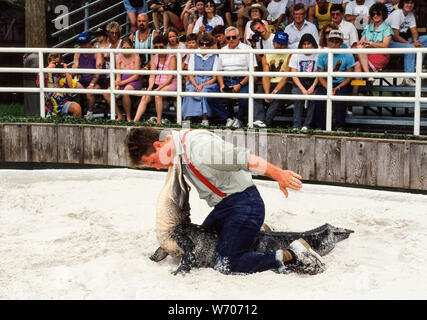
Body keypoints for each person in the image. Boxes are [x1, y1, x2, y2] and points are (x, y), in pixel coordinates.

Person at [125, 126, 325, 275]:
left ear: (158, 145)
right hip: (224, 208)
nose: (158, 167)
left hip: (245, 205)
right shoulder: (178, 151)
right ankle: (259, 231)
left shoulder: (198, 146)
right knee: (205, 249)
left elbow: (242, 158)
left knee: (226, 264)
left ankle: (292, 254)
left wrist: (277, 173)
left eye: (153, 162)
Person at [216, 26, 257, 128]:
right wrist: (221, 85)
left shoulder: (248, 49)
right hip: (226, 80)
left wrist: (240, 84)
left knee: (244, 98)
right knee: (209, 96)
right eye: (228, 38)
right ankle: (228, 118)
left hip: (242, 80)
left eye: (233, 37)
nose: (231, 40)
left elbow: (252, 70)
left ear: (238, 37)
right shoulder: (222, 50)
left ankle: (239, 119)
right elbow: (219, 70)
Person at [316, 30, 355, 130]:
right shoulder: (322, 55)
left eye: (337, 42)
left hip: (342, 83)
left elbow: (349, 76)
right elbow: (320, 76)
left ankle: (340, 126)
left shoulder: (348, 55)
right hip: (326, 83)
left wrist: (338, 87)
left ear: (341, 43)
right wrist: (329, 87)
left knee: (340, 98)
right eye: (331, 41)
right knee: (319, 97)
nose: (334, 44)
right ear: (327, 42)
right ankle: (321, 126)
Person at [133, 34, 177, 124]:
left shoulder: (172, 58)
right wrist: (150, 86)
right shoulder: (153, 58)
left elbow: (170, 78)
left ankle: (159, 121)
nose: (158, 49)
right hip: (156, 83)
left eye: (161, 47)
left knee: (157, 95)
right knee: (145, 97)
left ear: (166, 46)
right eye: (156, 47)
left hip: (170, 83)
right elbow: (152, 75)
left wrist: (159, 88)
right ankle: (134, 121)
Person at [252, 32, 292, 128]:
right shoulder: (267, 55)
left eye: (282, 44)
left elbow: (285, 78)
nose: (279, 46)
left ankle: (265, 123)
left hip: (284, 84)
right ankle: (259, 120)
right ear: (273, 42)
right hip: (270, 83)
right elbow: (266, 76)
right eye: (277, 43)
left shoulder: (291, 55)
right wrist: (267, 93)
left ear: (286, 44)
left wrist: (274, 92)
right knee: (257, 96)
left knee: (278, 98)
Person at [182, 32, 219, 126]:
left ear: (210, 45)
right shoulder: (194, 55)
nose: (204, 46)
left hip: (209, 82)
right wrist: (196, 85)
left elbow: (214, 78)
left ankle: (205, 118)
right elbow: (190, 74)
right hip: (195, 80)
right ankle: (188, 117)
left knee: (204, 90)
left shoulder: (215, 57)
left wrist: (202, 85)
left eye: (207, 44)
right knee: (190, 89)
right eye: (202, 44)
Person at [386, 0, 427, 86]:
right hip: (389, 42)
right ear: (402, 4)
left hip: (403, 40)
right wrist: (410, 44)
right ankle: (408, 77)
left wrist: (416, 41)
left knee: (425, 39)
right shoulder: (397, 14)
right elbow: (395, 36)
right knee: (410, 48)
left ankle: (416, 66)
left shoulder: (410, 15)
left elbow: (414, 31)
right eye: (407, 3)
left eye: (411, 3)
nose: (409, 5)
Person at [104, 37, 142, 122]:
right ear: (121, 48)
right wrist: (117, 83)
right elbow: (118, 74)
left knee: (125, 91)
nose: (126, 50)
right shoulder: (118, 57)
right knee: (106, 93)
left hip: (134, 81)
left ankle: (128, 118)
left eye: (128, 48)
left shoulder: (136, 56)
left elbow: (136, 76)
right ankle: (119, 115)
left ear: (132, 48)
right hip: (122, 81)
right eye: (124, 48)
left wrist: (122, 83)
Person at [354, 2, 393, 81]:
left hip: (380, 55)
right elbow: (361, 42)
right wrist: (363, 43)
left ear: (383, 14)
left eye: (378, 13)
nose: (375, 16)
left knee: (358, 61)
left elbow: (385, 45)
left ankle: (367, 76)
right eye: (373, 14)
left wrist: (370, 43)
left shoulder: (387, 28)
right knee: (357, 64)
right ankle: (356, 92)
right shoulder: (368, 27)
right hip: (365, 54)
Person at [289, 33, 319, 130]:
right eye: (304, 44)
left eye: (308, 44)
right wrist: (302, 89)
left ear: (313, 44)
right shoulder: (296, 54)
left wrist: (313, 86)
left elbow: (320, 73)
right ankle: (296, 125)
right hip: (299, 82)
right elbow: (294, 74)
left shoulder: (318, 54)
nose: (306, 46)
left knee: (314, 99)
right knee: (298, 98)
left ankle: (307, 125)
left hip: (314, 81)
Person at [72, 32, 105, 119]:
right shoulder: (78, 53)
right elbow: (75, 66)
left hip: (98, 81)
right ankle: (74, 112)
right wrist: (71, 75)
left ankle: (89, 113)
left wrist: (91, 84)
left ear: (90, 43)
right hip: (83, 80)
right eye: (81, 44)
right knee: (69, 85)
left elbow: (98, 71)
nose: (82, 46)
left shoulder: (97, 53)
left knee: (90, 91)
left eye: (85, 43)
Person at [41, 53, 82, 119]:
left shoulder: (63, 73)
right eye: (54, 63)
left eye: (57, 63)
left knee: (77, 108)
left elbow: (70, 89)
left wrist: (65, 70)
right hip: (49, 106)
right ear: (49, 62)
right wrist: (48, 68)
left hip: (63, 102)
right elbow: (38, 83)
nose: (55, 65)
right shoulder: (44, 72)